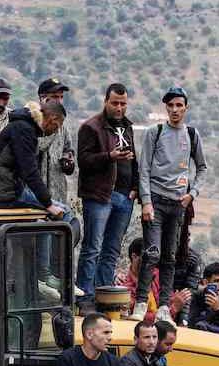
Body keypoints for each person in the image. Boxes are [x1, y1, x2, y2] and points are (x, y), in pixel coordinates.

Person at [137, 86, 206, 308]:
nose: (175, 110)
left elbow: (202, 168)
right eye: (171, 105)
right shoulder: (155, 132)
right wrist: (146, 202)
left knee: (170, 258)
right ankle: (140, 302)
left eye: (179, 105)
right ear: (166, 107)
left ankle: (164, 306)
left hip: (178, 203)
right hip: (156, 200)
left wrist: (192, 194)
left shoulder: (192, 135)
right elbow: (144, 169)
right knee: (152, 254)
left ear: (186, 107)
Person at [76, 84, 138, 296]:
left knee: (111, 250)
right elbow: (83, 161)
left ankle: (104, 296)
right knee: (92, 248)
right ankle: (85, 295)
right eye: (115, 103)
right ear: (105, 102)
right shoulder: (91, 127)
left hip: (125, 196)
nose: (119, 108)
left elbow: (135, 159)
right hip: (100, 196)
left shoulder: (128, 127)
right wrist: (109, 156)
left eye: (123, 104)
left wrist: (135, 187)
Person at [0, 99, 67, 217]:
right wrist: (48, 204)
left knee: (48, 217)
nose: (55, 131)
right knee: (64, 213)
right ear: (52, 119)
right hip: (2, 194)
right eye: (56, 127)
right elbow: (30, 171)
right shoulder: (24, 130)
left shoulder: (22, 126)